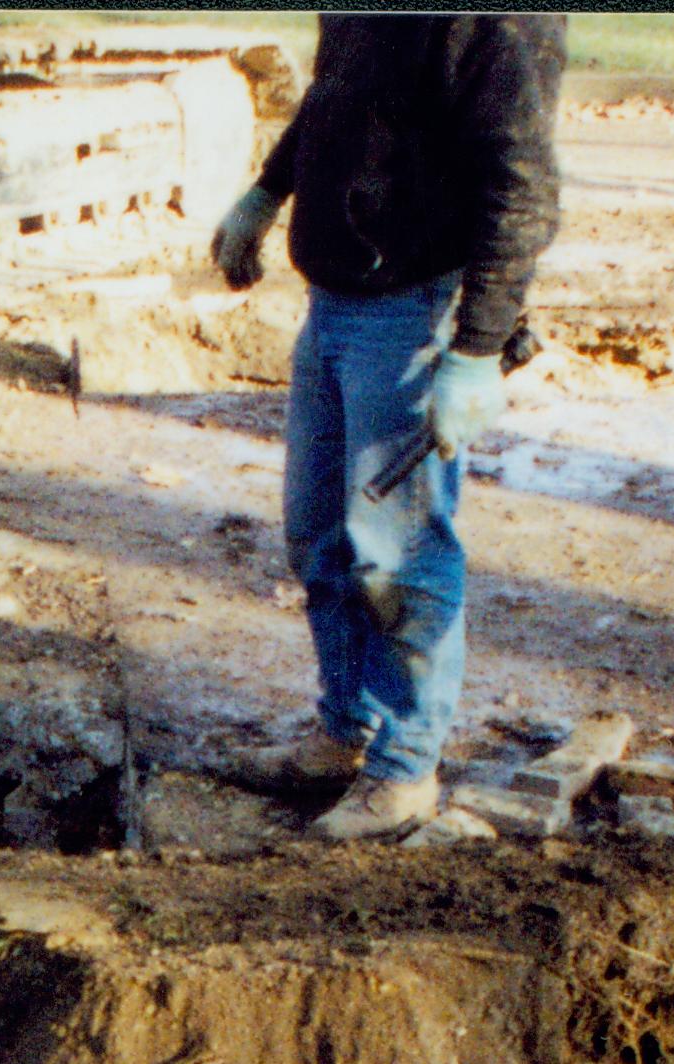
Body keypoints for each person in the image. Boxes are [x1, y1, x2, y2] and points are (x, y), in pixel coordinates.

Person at [211, 16, 565, 842]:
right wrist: (270, 188)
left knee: (398, 555)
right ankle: (348, 730)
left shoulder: (497, 25)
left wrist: (476, 350)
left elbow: (522, 186)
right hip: (335, 302)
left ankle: (405, 770)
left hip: (411, 311)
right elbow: (337, 99)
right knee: (320, 537)